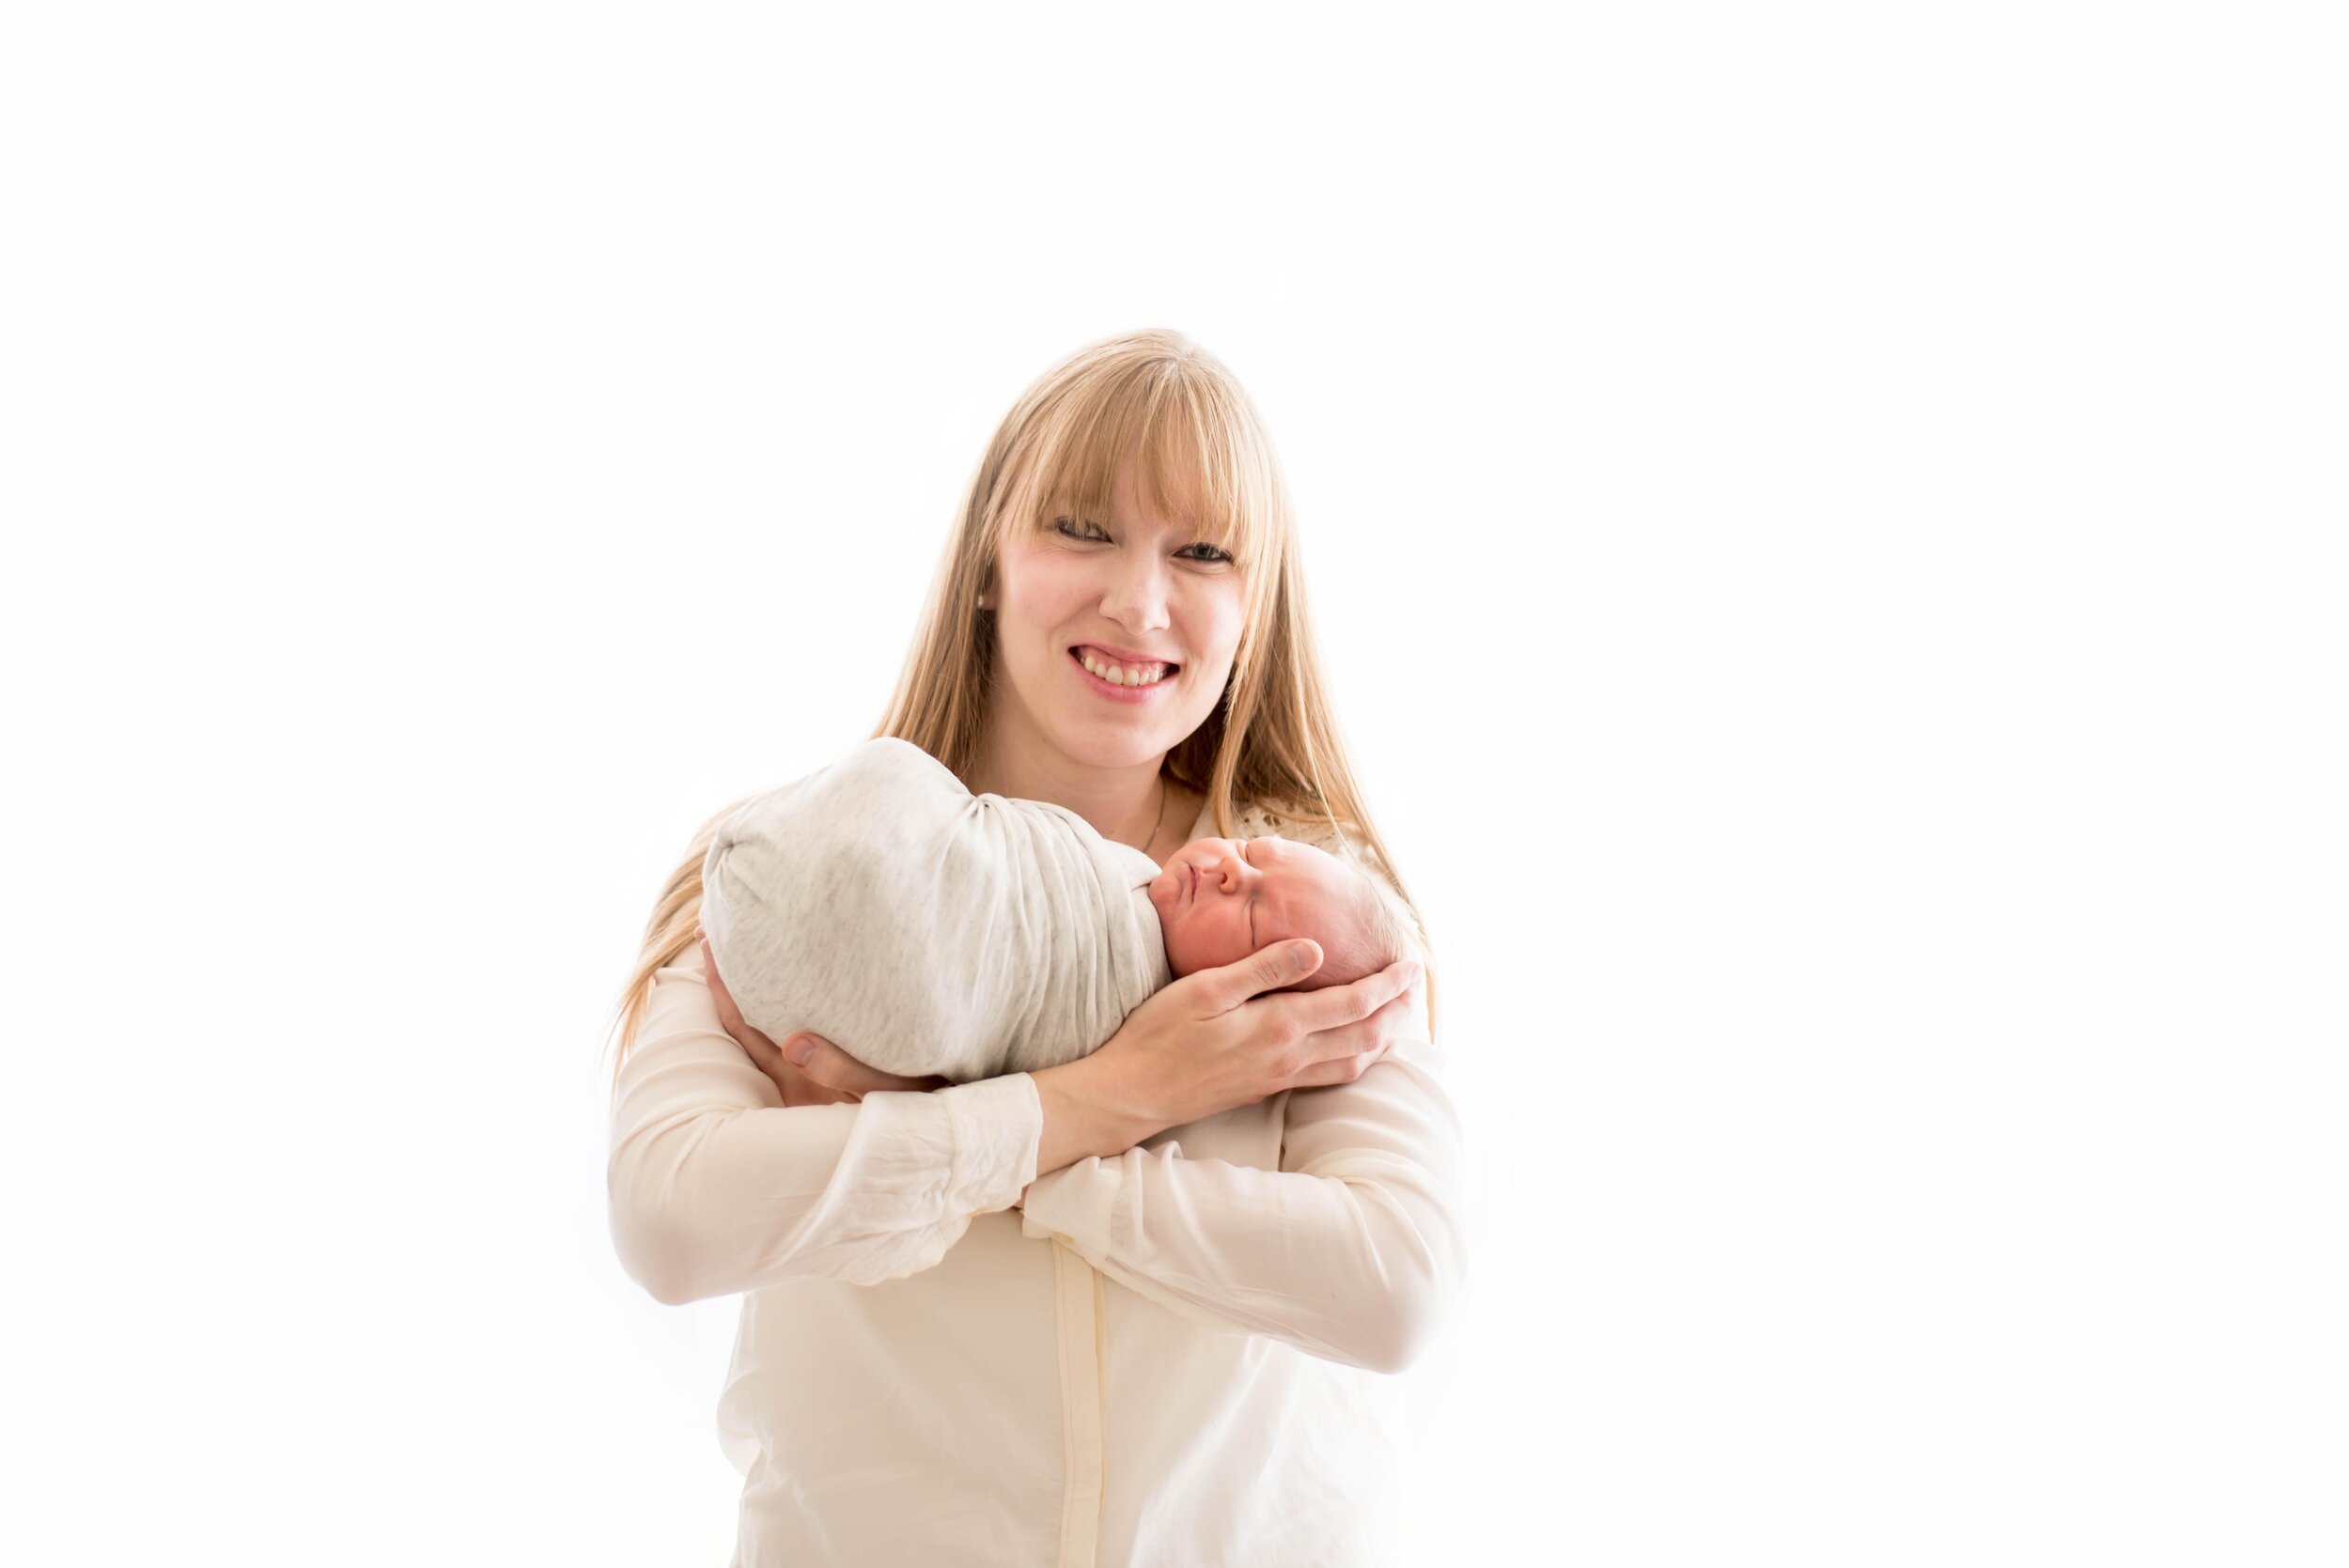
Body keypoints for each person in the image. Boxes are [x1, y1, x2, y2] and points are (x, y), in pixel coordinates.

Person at [604, 328, 1469, 1567]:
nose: (1140, 600)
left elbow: (1394, 1284)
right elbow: (672, 1217)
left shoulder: (1316, 928)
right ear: (988, 566)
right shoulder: (797, 875)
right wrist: (1122, 1094)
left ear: (1253, 604)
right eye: (1082, 529)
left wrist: (990, 1145)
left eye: (1204, 552)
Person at [696, 732, 1423, 1082]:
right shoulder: (1131, 877)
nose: (1231, 872)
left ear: (1258, 1013)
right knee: (900, 790)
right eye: (1251, 855)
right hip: (829, 872)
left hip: (911, 974)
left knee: (925, 985)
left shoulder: (1136, 1023)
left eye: (1256, 918)